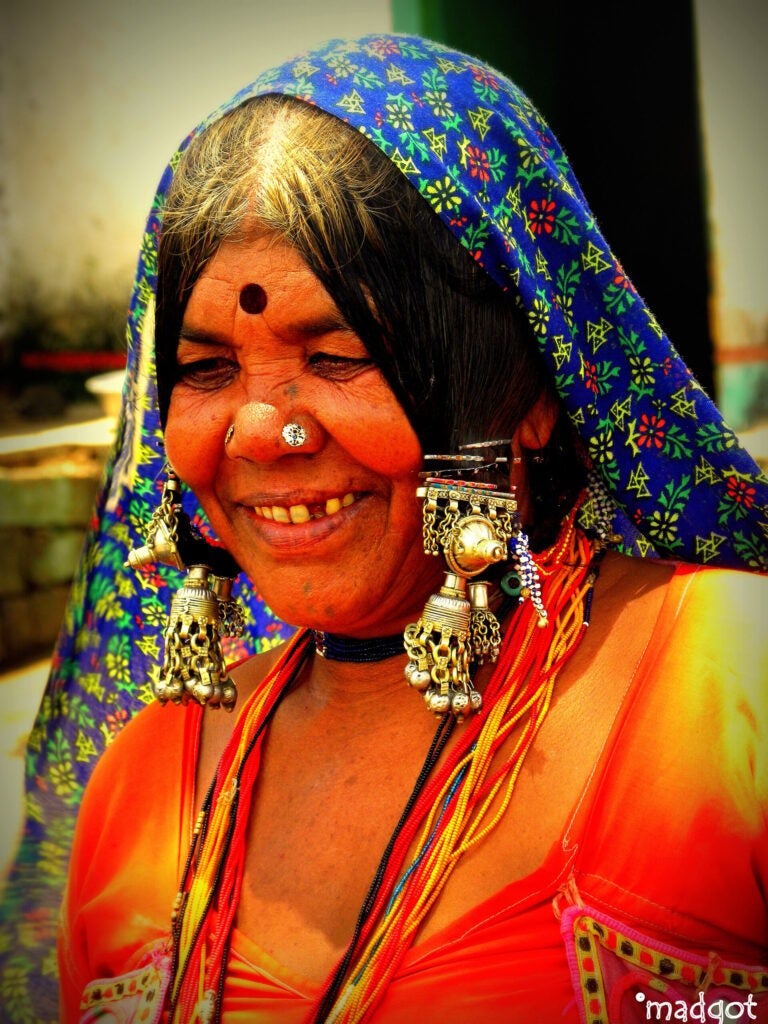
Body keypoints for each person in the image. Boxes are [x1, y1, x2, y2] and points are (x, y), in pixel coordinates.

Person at [54, 33, 767, 1024]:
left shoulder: (733, 688)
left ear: (528, 390)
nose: (263, 430)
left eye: (338, 355)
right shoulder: (143, 786)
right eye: (208, 369)